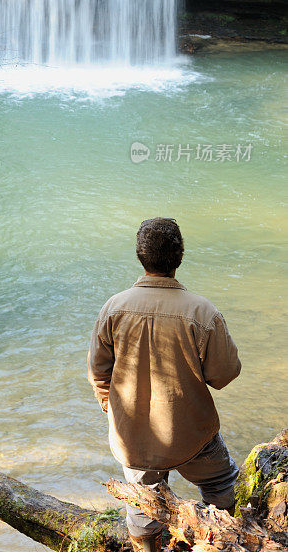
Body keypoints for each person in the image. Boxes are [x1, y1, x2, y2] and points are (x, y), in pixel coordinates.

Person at [87, 217, 241, 552]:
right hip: (191, 435)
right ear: (179, 256)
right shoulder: (202, 312)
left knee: (143, 503)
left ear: (140, 257)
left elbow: (98, 372)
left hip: (133, 435)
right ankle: (222, 542)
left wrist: (114, 411)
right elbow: (224, 374)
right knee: (223, 484)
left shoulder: (113, 308)